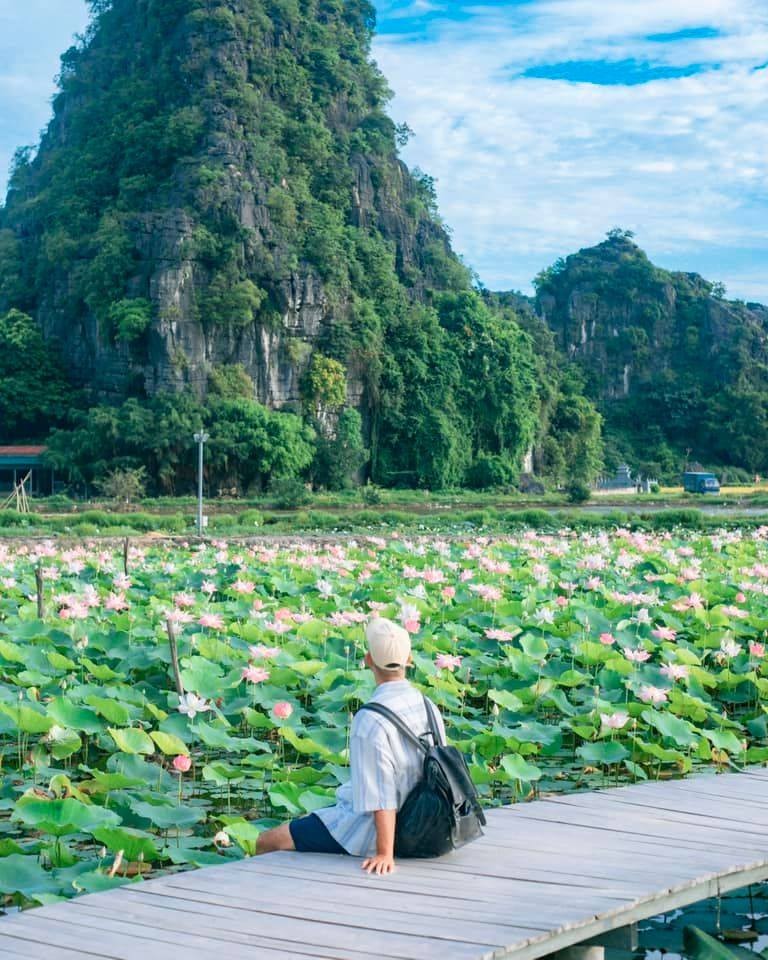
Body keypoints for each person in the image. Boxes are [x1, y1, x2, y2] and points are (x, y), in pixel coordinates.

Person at [255, 616, 446, 875]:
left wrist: (384, 853)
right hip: (429, 823)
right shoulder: (428, 705)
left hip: (374, 829)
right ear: (409, 659)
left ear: (368, 660)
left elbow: (382, 796)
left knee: (266, 841)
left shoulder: (370, 719)